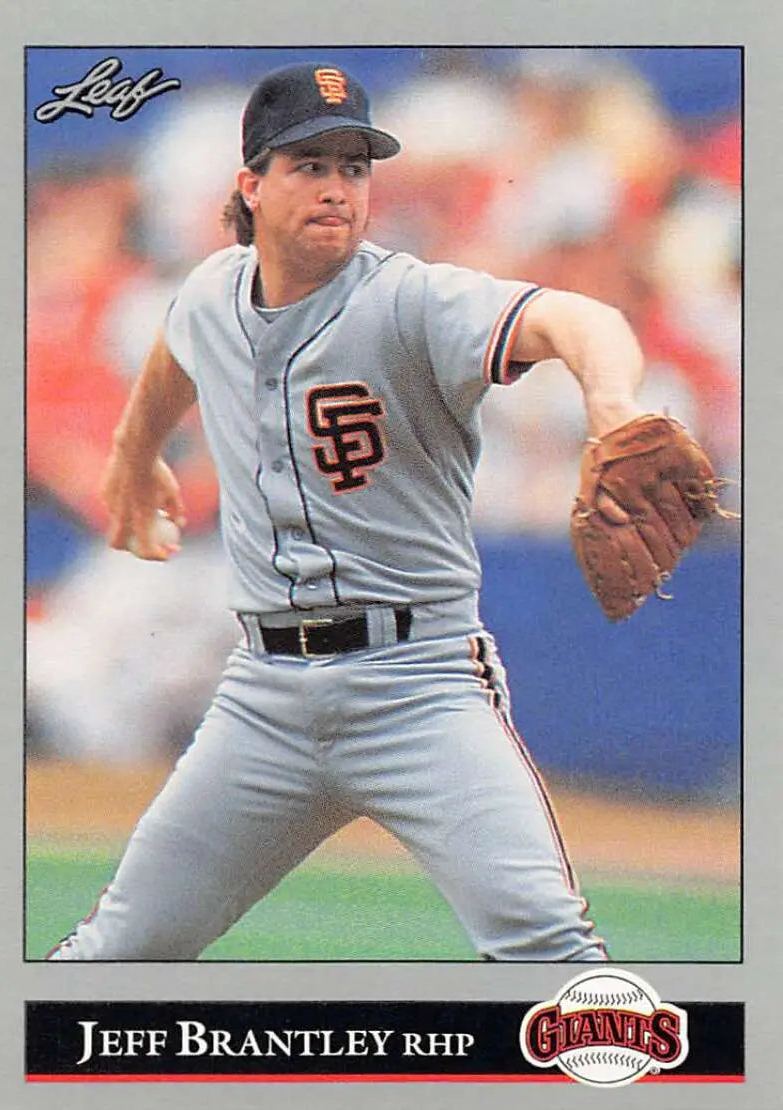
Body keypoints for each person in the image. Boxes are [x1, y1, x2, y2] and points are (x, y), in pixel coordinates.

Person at [48, 61, 653, 962]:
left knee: (549, 952)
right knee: (115, 952)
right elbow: (178, 348)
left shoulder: (413, 300)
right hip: (265, 699)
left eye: (353, 167)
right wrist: (134, 461)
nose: (337, 188)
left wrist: (614, 408)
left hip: (421, 688)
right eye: (310, 165)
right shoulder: (214, 291)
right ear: (251, 186)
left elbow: (581, 319)